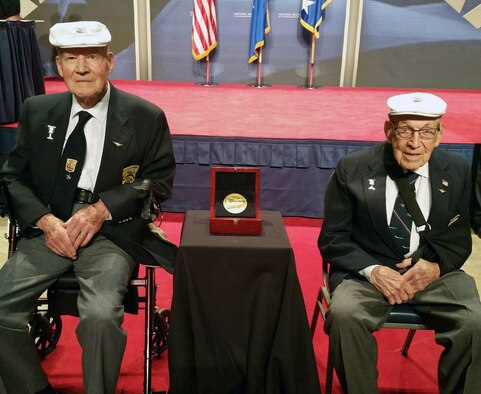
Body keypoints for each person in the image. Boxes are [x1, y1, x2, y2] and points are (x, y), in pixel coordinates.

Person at [0, 21, 176, 394]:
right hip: (50, 231)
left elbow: (159, 182)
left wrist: (101, 209)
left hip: (110, 234)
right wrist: (45, 220)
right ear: (59, 66)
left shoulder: (146, 116)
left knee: (99, 318)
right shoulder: (38, 110)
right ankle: (32, 388)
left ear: (109, 62)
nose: (82, 68)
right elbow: (13, 176)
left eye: (92, 57)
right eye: (71, 58)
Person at [318, 92, 481, 393]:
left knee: (474, 321)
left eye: (426, 132)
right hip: (366, 274)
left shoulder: (456, 171)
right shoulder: (352, 169)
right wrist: (373, 270)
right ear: (389, 130)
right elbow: (332, 238)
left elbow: (459, 239)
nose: (415, 142)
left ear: (439, 134)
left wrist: (435, 267)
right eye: (405, 130)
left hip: (431, 273)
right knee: (345, 315)